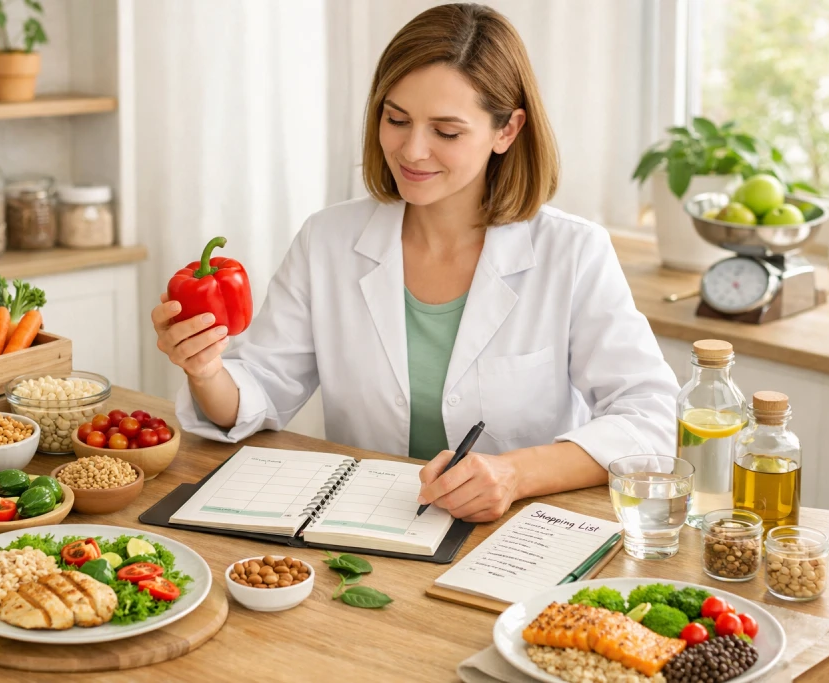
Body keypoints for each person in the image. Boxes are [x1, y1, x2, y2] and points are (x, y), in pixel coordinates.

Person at [153, 3, 679, 523]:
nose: (412, 150)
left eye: (446, 132)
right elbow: (261, 390)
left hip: (512, 536)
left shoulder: (573, 252)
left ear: (507, 131)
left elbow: (651, 417)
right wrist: (206, 370)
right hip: (362, 531)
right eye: (396, 119)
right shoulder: (328, 239)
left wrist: (517, 473)